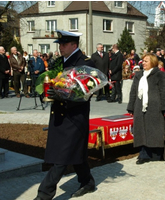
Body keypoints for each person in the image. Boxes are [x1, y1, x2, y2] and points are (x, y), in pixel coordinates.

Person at [34, 30, 96, 200]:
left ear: (74, 45)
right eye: (59, 44)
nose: (60, 47)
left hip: (75, 117)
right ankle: (87, 181)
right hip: (59, 115)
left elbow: (86, 93)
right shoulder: (59, 62)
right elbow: (50, 81)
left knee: (61, 157)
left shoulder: (84, 63)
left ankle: (43, 195)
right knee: (76, 152)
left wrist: (63, 96)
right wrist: (45, 92)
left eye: (63, 44)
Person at [127, 53, 165, 164]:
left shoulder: (159, 74)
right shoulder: (138, 75)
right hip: (139, 106)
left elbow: (164, 92)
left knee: (155, 130)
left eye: (146, 61)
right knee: (141, 130)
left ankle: (156, 154)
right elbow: (133, 92)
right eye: (143, 61)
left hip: (155, 107)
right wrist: (130, 107)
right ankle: (144, 154)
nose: (143, 63)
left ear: (153, 62)